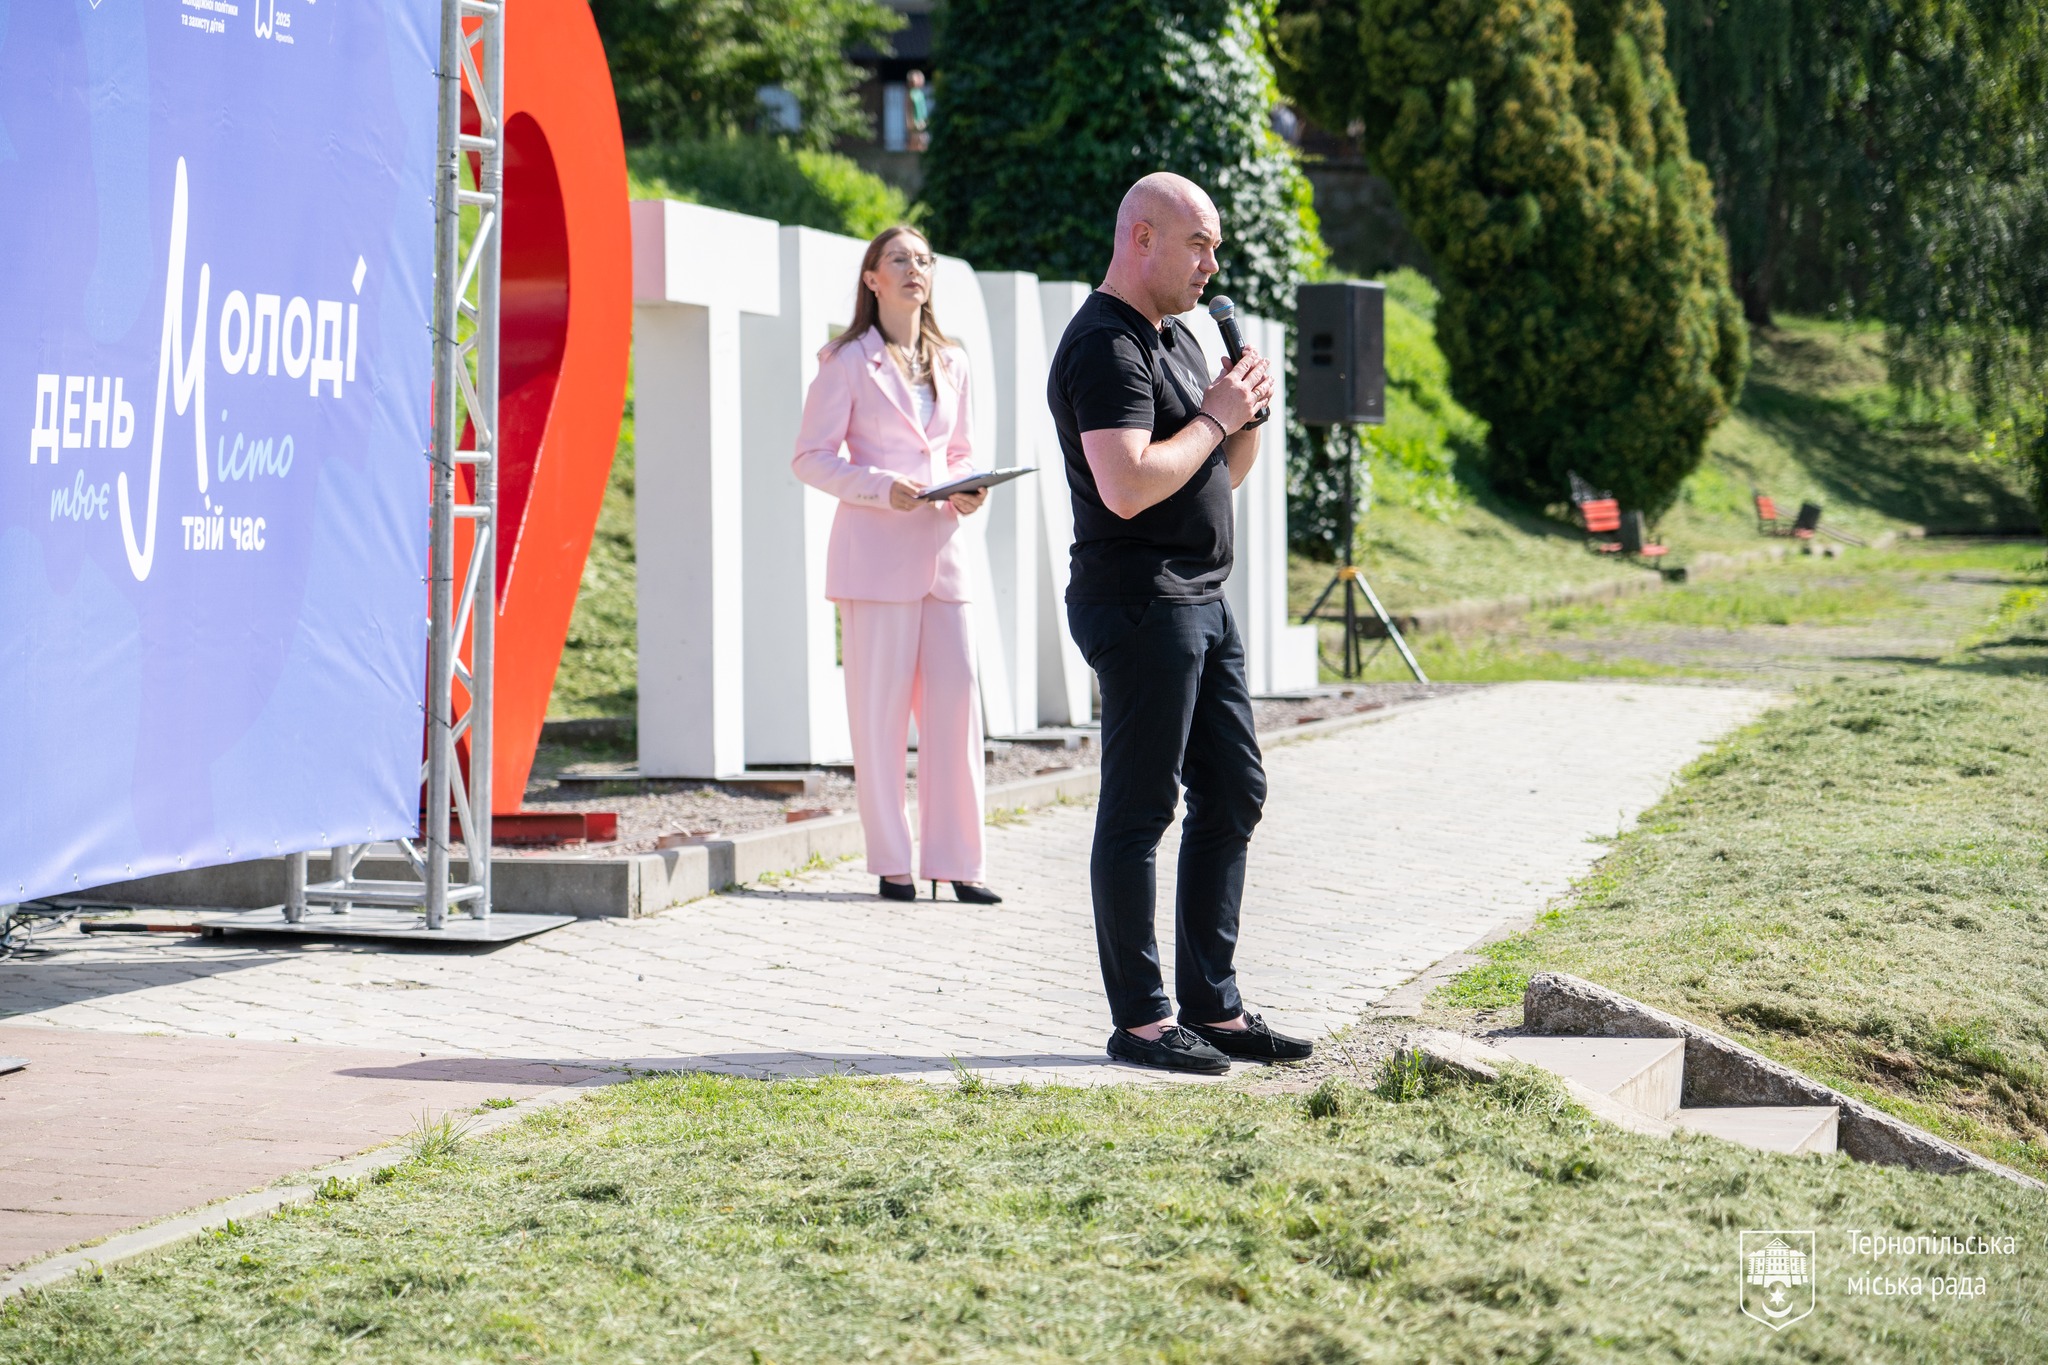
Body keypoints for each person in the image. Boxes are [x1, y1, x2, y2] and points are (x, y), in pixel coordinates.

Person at [1047, 172, 1313, 1072]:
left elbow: (1217, 471)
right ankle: (1143, 1020)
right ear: (1143, 238)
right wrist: (1213, 413)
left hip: (1201, 596)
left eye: (1216, 247)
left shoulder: (1177, 338)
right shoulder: (1105, 344)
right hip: (1140, 601)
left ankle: (1214, 1004)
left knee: (1234, 790)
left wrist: (1242, 415)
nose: (1212, 265)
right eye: (1198, 244)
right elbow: (1126, 485)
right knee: (1140, 808)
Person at [792, 226, 1001, 906]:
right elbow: (810, 457)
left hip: (944, 558)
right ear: (872, 278)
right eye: (900, 259)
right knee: (878, 719)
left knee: (957, 712)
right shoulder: (845, 361)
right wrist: (881, 488)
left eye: (924, 259)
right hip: (875, 563)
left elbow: (960, 451)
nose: (916, 268)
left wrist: (969, 488)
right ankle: (892, 863)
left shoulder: (953, 361)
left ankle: (959, 863)